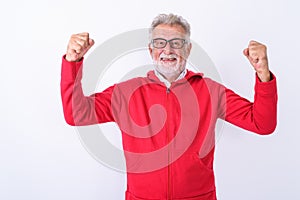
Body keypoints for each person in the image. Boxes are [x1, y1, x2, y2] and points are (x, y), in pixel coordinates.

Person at [61, 13, 277, 200]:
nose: (168, 49)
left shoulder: (211, 91)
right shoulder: (126, 93)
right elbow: (75, 114)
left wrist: (263, 74)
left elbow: (262, 124)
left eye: (177, 42)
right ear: (150, 49)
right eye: (160, 42)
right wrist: (72, 62)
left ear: (188, 49)